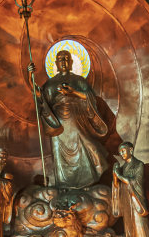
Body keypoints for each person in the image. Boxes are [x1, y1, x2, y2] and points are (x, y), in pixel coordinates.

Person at [31, 50, 109, 188]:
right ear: (55, 63)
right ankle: (64, 186)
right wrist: (31, 79)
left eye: (67, 59)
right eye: (60, 59)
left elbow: (90, 97)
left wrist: (74, 93)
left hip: (77, 119)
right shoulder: (50, 84)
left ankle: (93, 176)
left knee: (88, 146)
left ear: (72, 62)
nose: (64, 62)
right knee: (60, 156)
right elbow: (42, 102)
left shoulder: (79, 80)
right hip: (59, 125)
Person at [112, 141, 149, 237]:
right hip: (126, 197)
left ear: (130, 150)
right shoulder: (123, 167)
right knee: (128, 223)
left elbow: (135, 182)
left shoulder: (139, 165)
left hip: (135, 197)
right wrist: (115, 175)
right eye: (120, 152)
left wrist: (119, 175)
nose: (121, 154)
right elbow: (118, 184)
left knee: (138, 221)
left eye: (123, 151)